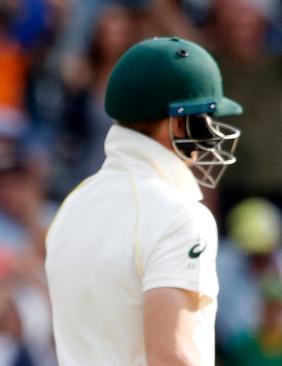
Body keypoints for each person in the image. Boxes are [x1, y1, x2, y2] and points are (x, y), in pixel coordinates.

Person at [45, 37, 242, 365]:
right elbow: (171, 356)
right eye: (205, 118)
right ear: (178, 122)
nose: (212, 133)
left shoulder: (73, 205)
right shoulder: (181, 217)